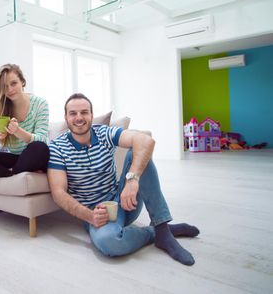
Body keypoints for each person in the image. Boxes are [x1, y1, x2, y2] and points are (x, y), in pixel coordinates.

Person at [47, 93, 199, 266]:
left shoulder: (103, 133)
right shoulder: (57, 147)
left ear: (91, 114)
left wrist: (132, 180)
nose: (79, 117)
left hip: (125, 199)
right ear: (66, 117)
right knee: (109, 242)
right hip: (98, 213)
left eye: (84, 112)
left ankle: (162, 227)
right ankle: (157, 232)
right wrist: (90, 217)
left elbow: (146, 140)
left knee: (140, 152)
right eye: (73, 113)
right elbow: (58, 193)